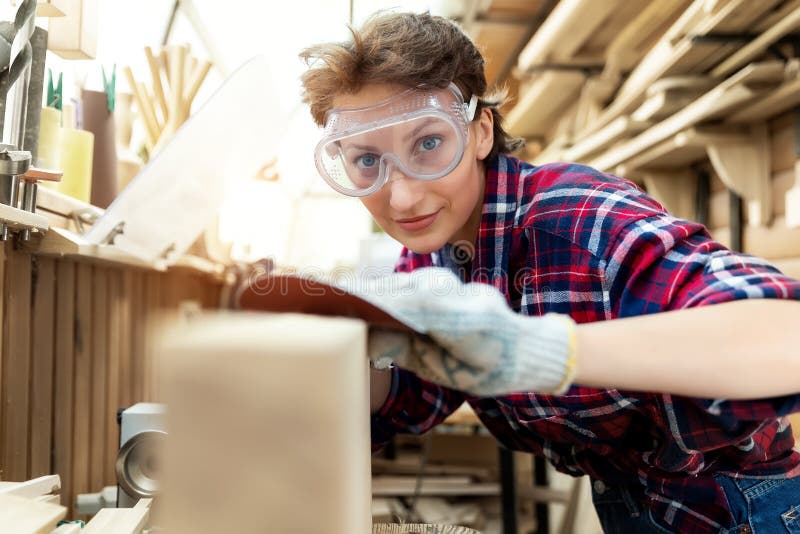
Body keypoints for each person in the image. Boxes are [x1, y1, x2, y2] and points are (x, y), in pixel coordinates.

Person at [299, 11, 800, 533]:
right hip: (634, 503)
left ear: (480, 133)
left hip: (745, 505)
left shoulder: (576, 216)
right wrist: (360, 346)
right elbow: (412, 397)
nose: (400, 196)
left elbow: (788, 338)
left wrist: (541, 350)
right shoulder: (432, 252)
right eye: (365, 161)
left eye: (428, 144)